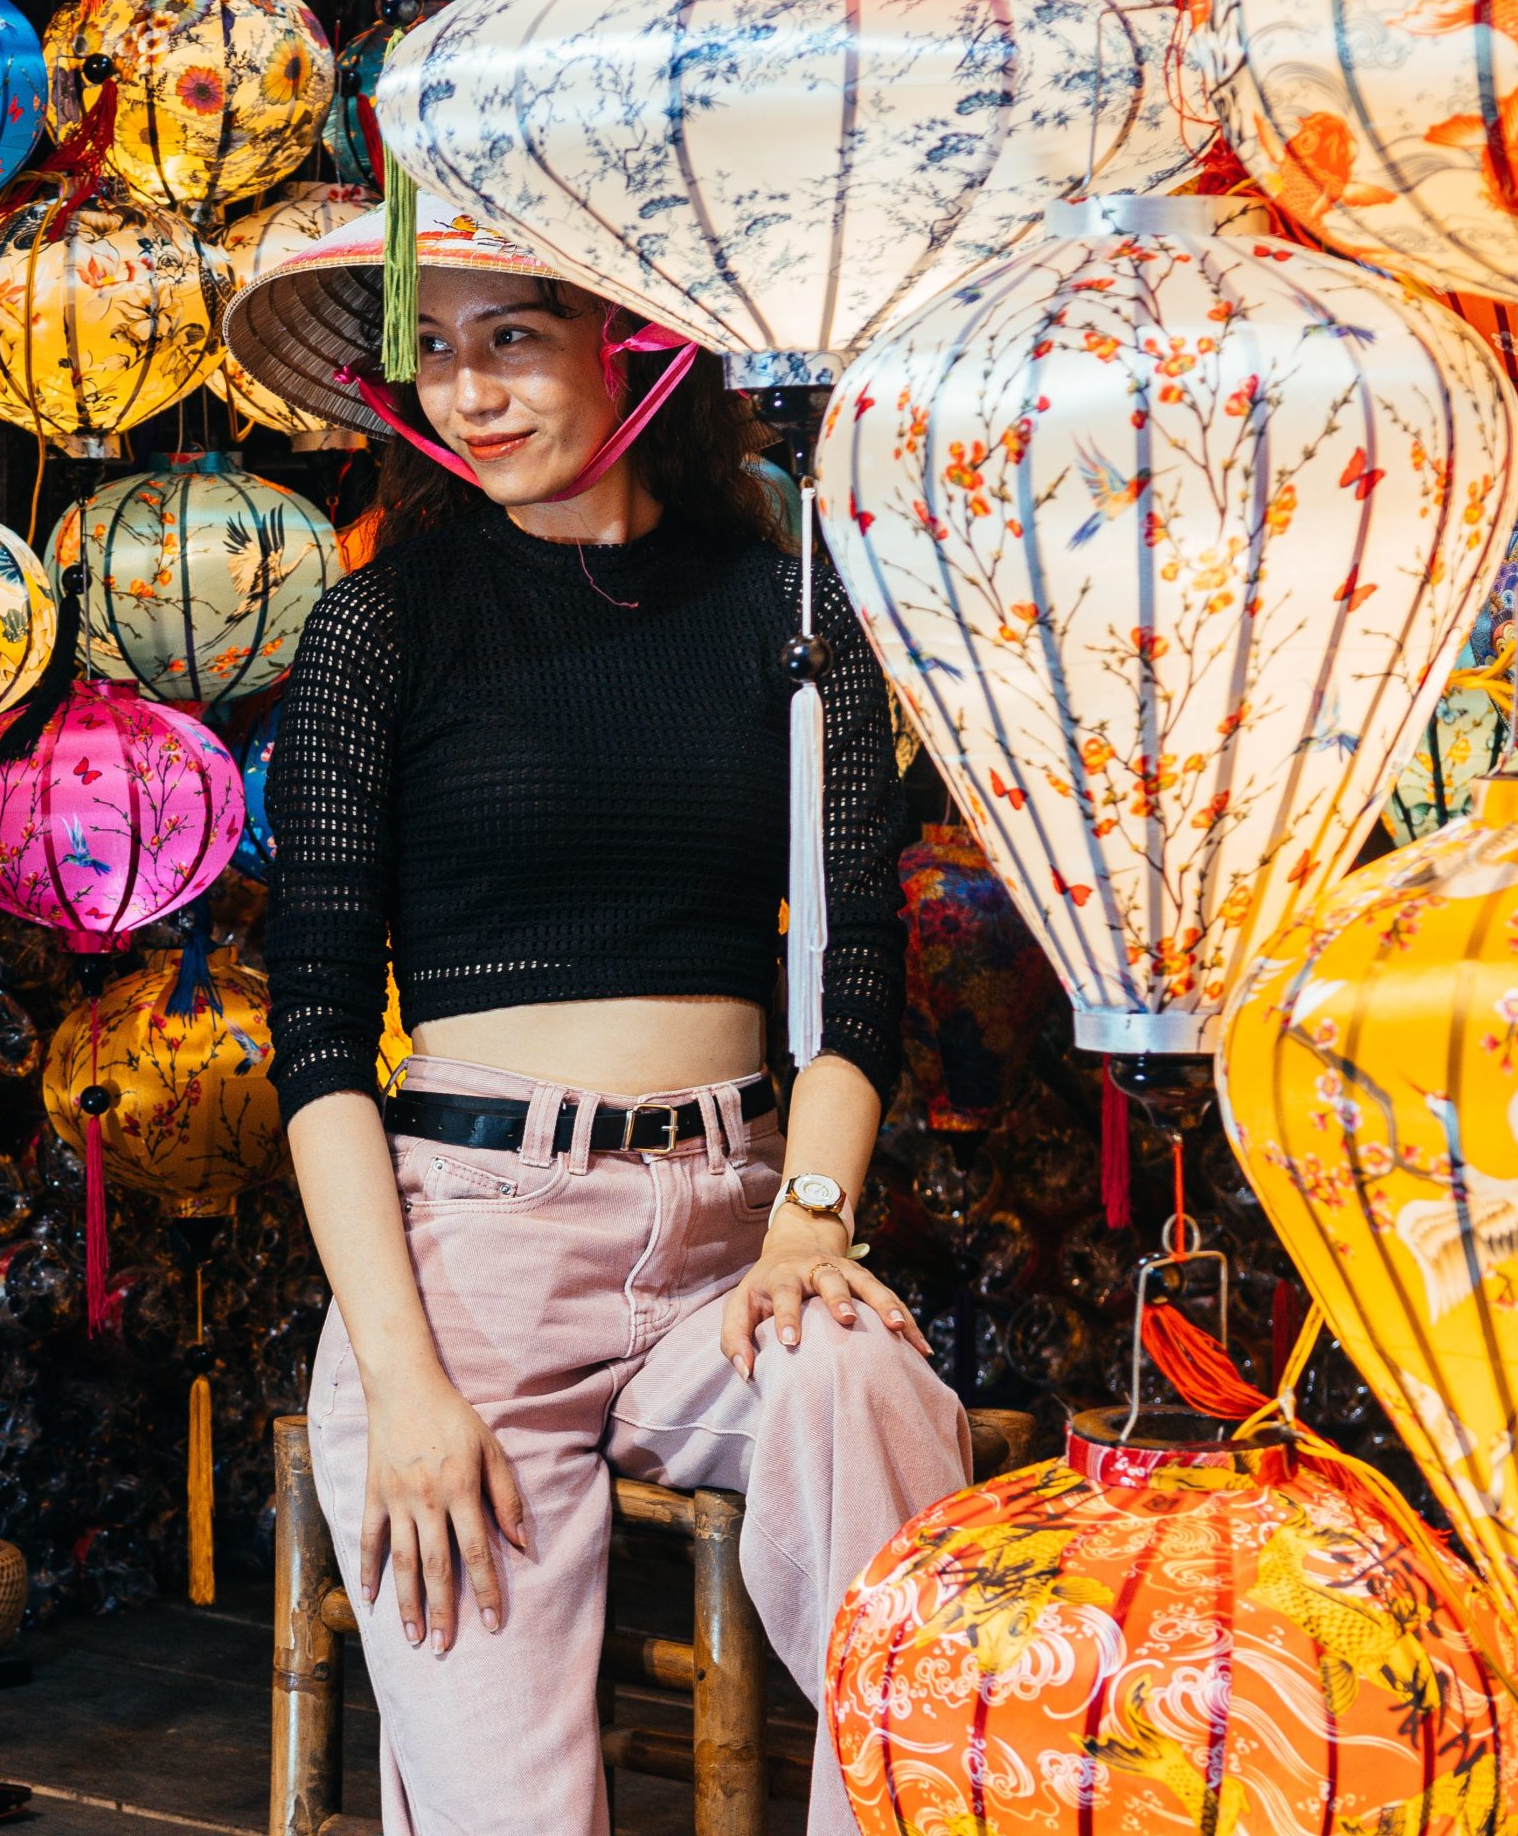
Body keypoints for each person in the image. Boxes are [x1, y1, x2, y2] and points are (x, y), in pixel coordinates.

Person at [223, 212, 970, 1836]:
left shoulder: (790, 619)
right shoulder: (383, 626)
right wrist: (407, 1382)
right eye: (436, 346)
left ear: (635, 348)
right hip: (469, 1256)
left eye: (513, 337)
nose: (469, 392)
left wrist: (809, 1220)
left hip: (737, 1235)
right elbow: (321, 1041)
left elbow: (853, 983)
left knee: (874, 1389)